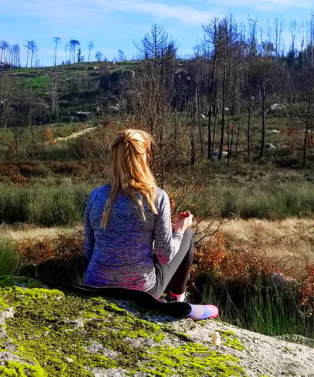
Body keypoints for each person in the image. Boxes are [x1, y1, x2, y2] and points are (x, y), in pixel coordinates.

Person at [83, 128, 217, 320]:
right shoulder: (156, 197)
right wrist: (179, 228)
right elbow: (165, 256)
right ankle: (178, 297)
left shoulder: (96, 195)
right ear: (142, 158)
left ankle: (176, 298)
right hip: (141, 290)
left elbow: (88, 251)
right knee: (187, 234)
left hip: (95, 285)